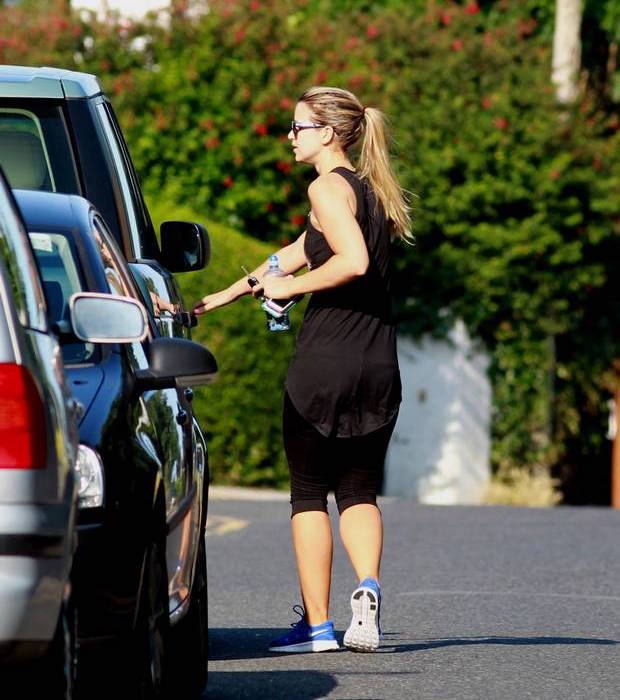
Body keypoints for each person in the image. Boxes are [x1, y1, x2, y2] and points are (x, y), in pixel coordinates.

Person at [193, 86, 412, 653]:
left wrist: (287, 290)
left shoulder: (324, 187)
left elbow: (350, 261)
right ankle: (367, 591)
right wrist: (222, 296)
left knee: (309, 493)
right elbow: (296, 251)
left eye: (297, 128)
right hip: (378, 364)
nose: (289, 137)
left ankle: (317, 628)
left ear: (329, 135)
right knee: (359, 489)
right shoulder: (368, 192)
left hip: (325, 362)